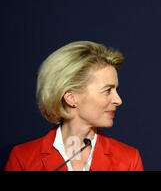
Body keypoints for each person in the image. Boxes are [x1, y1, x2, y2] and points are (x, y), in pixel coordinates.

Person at [5, 41, 144, 171]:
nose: (118, 100)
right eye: (107, 90)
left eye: (116, 90)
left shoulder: (129, 160)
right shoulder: (23, 159)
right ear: (71, 97)